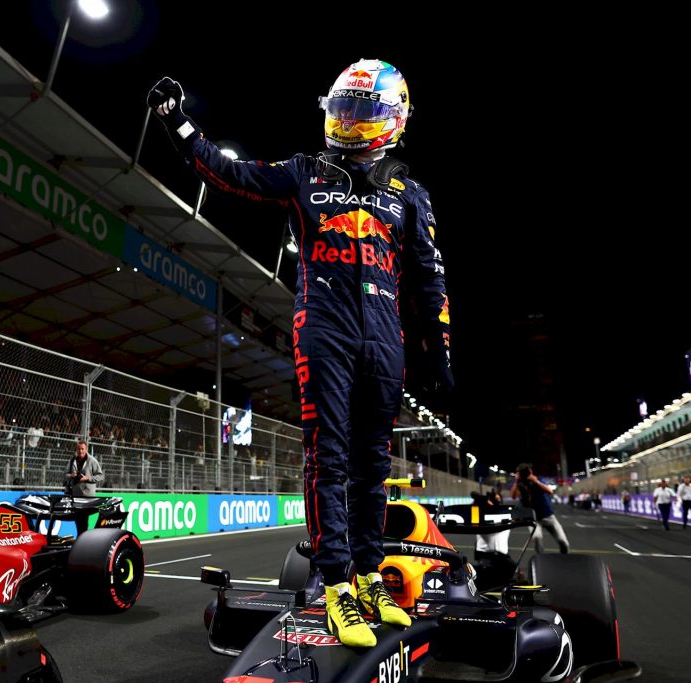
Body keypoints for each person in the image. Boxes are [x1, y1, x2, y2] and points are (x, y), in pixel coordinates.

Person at [148, 58, 452, 647]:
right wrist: (176, 123)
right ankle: (334, 582)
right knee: (328, 457)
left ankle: (368, 578)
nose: (351, 122)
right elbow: (227, 174)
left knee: (372, 469)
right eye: (344, 109)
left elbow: (430, 279)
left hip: (384, 340)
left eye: (364, 112)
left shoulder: (410, 193)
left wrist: (438, 350)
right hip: (325, 330)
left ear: (394, 117)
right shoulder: (303, 172)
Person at [511, 463, 569, 554]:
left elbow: (550, 491)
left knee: (563, 541)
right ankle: (541, 560)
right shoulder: (520, 484)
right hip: (533, 518)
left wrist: (536, 482)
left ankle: (565, 558)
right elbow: (513, 496)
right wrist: (516, 481)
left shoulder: (538, 480)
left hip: (547, 515)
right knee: (537, 539)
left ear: (530, 472)